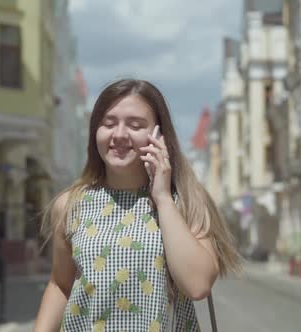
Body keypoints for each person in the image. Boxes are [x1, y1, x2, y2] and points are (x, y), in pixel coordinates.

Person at [34, 79, 241, 331]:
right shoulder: (70, 205)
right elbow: (60, 284)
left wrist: (162, 197)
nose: (119, 134)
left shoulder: (185, 200)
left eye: (135, 125)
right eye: (108, 123)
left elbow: (197, 285)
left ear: (158, 136)